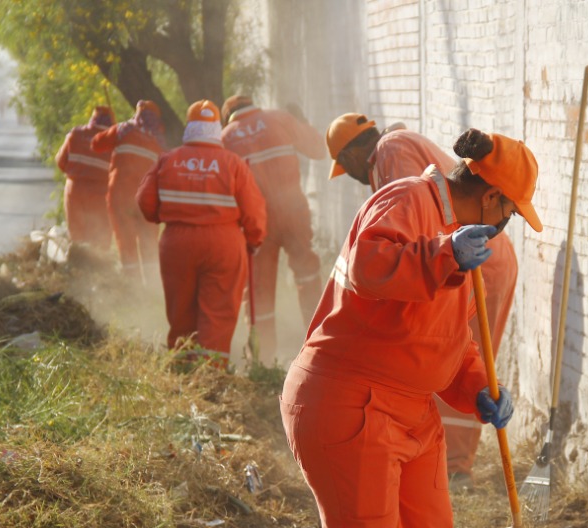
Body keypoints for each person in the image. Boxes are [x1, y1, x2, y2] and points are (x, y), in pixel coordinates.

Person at [281, 128, 542, 528]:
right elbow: (374, 265)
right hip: (347, 395)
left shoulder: (463, 243)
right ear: (493, 197)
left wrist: (477, 388)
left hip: (407, 404)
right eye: (511, 213)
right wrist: (443, 254)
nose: (507, 227)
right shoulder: (406, 201)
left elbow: (451, 336)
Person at [326, 114, 520, 489]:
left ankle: (456, 467)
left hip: (475, 263)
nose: (347, 172)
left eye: (342, 164)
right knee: (463, 357)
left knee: (464, 355)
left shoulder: (390, 151)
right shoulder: (396, 148)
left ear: (350, 153)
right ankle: (451, 463)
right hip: (468, 259)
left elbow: (410, 225)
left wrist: (445, 258)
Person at [136, 100, 266, 366]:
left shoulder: (168, 159)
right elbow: (254, 211)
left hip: (177, 244)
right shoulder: (234, 163)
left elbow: (145, 202)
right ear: (217, 130)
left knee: (180, 310)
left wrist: (169, 217)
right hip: (224, 244)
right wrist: (254, 239)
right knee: (218, 314)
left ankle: (182, 368)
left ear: (189, 128)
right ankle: (210, 376)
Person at [220, 95, 327, 361]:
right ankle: (321, 346)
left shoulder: (224, 139)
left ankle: (263, 357)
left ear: (228, 115)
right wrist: (301, 121)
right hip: (293, 212)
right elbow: (318, 149)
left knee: (258, 290)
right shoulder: (280, 118)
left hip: (256, 222)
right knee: (306, 275)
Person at [91, 100, 164, 282]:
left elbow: (96, 144)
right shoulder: (159, 140)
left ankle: (132, 287)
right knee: (149, 243)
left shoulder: (123, 130)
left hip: (120, 196)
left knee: (125, 241)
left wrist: (114, 131)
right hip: (147, 200)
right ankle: (152, 287)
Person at [54, 105, 114, 249]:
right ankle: (98, 267)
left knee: (77, 235)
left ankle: (77, 265)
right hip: (100, 193)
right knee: (100, 236)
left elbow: (60, 163)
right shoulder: (113, 142)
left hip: (74, 190)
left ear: (93, 119)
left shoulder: (75, 134)